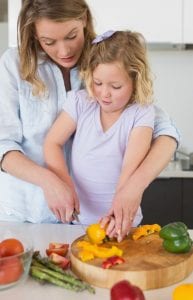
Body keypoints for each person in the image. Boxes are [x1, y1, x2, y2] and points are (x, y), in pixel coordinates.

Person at [0, 0, 178, 238]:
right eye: (49, 41)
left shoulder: (104, 59)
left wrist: (133, 187)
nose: (64, 51)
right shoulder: (13, 65)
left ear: (83, 19)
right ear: (33, 34)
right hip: (26, 215)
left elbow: (166, 132)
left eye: (71, 36)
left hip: (91, 222)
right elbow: (3, 145)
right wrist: (50, 181)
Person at [44, 30, 155, 241]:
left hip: (123, 223)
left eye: (115, 86)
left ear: (135, 80)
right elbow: (52, 142)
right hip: (76, 222)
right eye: (97, 83)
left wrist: (116, 216)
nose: (104, 93)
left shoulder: (141, 113)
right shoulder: (81, 102)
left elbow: (129, 173)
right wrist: (64, 182)